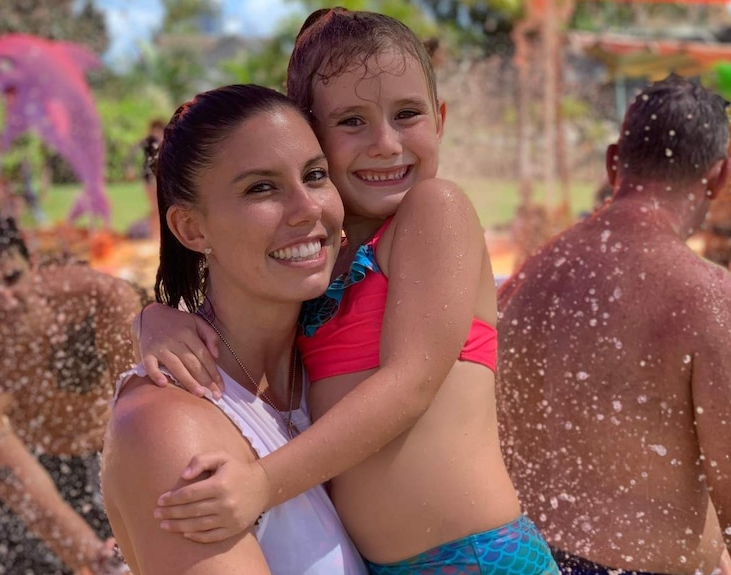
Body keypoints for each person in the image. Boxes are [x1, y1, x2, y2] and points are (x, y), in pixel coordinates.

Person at [134, 8, 558, 574]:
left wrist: (263, 482)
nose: (386, 144)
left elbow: (410, 385)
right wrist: (155, 319)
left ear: (441, 119)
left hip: (479, 558)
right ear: (310, 132)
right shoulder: (321, 263)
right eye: (352, 122)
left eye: (407, 114)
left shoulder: (437, 212)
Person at [101, 84, 366, 575]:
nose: (308, 208)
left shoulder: (347, 362)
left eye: (315, 175)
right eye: (260, 188)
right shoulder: (169, 426)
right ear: (192, 230)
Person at [496, 75, 731, 574]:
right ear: (718, 176)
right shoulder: (708, 297)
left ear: (613, 162)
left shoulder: (528, 277)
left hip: (524, 558)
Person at [0, 208, 141, 575]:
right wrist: (96, 557)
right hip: (44, 472)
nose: (5, 299)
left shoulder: (95, 299)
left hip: (123, 457)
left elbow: (148, 406)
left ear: (31, 263)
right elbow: (21, 484)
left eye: (12, 278)